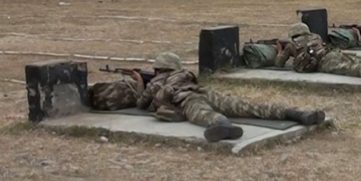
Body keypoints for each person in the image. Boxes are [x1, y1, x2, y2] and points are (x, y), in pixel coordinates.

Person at [91, 52, 326, 143]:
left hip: (187, 100)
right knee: (251, 106)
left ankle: (223, 126)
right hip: (205, 92)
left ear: (159, 69)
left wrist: (142, 83)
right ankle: (298, 114)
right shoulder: (183, 74)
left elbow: (143, 104)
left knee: (204, 115)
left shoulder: (158, 81)